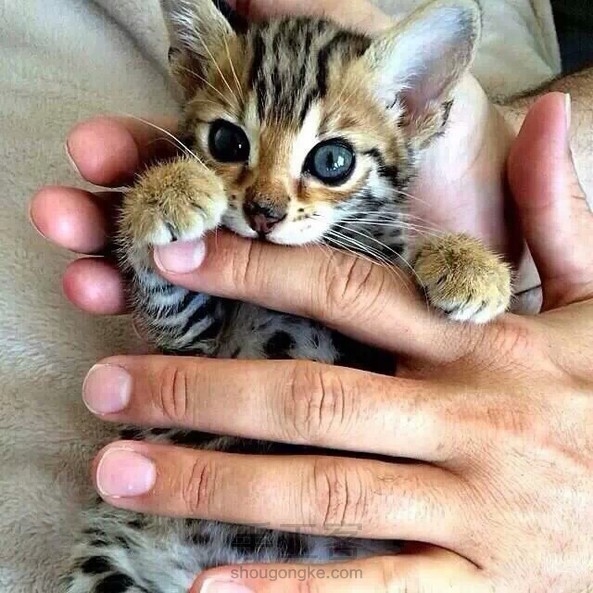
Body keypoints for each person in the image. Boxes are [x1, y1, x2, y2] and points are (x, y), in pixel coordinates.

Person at [29, 0, 593, 591]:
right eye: (230, 144)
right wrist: (161, 206)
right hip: (152, 553)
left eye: (330, 160)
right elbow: (181, 330)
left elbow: (450, 352)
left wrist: (461, 264)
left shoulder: (400, 258)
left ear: (410, 112)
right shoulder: (214, 236)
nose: (267, 202)